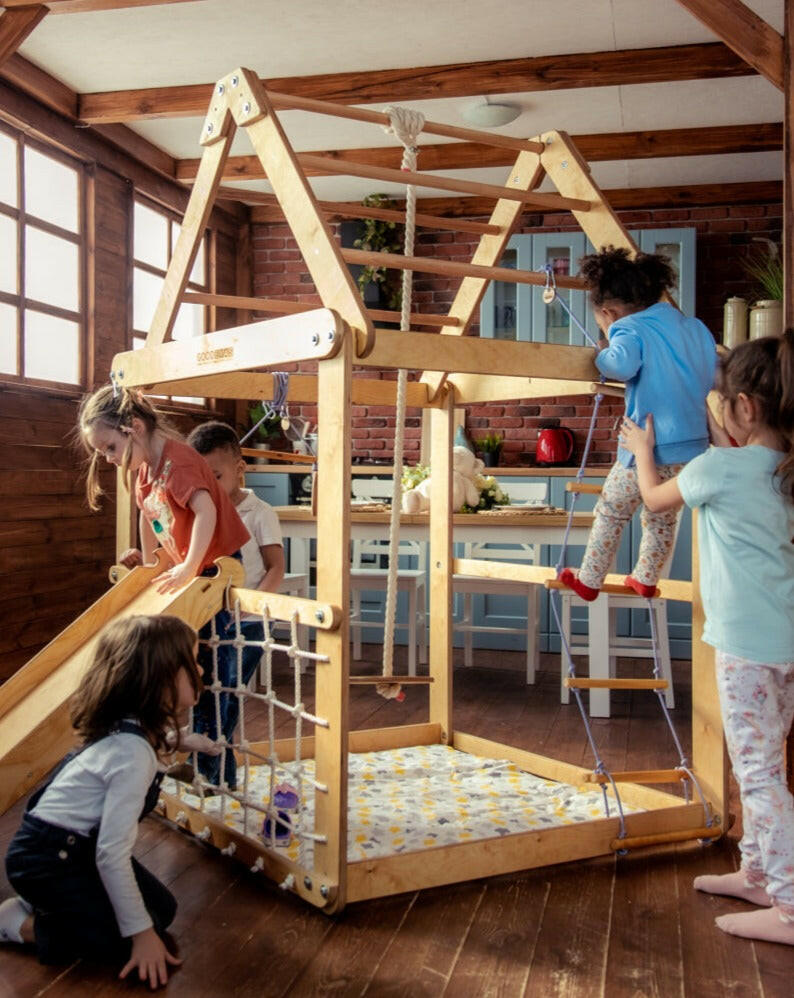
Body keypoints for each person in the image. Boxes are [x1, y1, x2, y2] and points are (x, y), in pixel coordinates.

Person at [620, 332, 794, 946]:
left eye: (722, 402)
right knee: (764, 763)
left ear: (744, 408)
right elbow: (733, 454)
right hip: (785, 645)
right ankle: (757, 872)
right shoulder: (778, 466)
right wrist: (717, 410)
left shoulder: (715, 469)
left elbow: (651, 497)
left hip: (746, 648)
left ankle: (790, 905)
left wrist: (643, 448)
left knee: (759, 773)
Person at [0, 615, 218, 987]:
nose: (200, 668)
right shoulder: (132, 754)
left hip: (71, 850)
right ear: (160, 680)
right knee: (124, 934)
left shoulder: (132, 730)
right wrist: (140, 934)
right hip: (47, 860)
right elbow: (111, 853)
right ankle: (18, 924)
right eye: (192, 662)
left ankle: (51, 906)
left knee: (161, 910)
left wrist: (183, 741)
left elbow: (148, 745)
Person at [76, 387, 250, 789]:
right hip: (188, 570)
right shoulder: (144, 470)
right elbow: (148, 515)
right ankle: (189, 762)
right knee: (183, 667)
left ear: (134, 427)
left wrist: (188, 565)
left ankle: (214, 778)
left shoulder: (178, 461)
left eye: (110, 447)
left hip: (214, 570)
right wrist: (154, 560)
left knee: (212, 675)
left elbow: (205, 510)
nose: (109, 458)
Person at [559, 246, 716, 602]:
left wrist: (602, 352)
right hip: (693, 447)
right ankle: (646, 577)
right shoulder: (693, 327)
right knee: (661, 516)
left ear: (608, 313)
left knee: (612, 510)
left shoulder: (628, 328)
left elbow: (621, 366)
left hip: (649, 444)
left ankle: (589, 579)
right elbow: (711, 368)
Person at [187, 420, 285, 789]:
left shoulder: (259, 512)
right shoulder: (203, 513)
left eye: (217, 476)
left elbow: (276, 567)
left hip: (249, 623)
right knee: (207, 694)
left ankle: (207, 774)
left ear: (239, 468)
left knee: (225, 694)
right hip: (210, 619)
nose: (211, 486)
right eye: (203, 478)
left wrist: (253, 606)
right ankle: (218, 778)